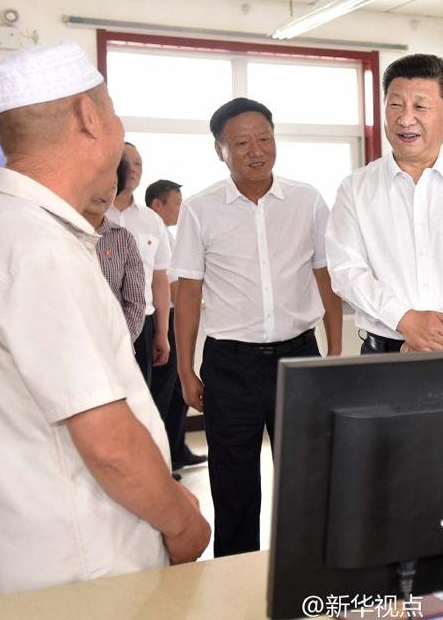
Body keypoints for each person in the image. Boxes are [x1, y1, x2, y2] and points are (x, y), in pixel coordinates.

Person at [0, 41, 209, 598]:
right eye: (112, 109)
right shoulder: (38, 249)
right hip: (86, 571)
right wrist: (183, 522)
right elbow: (108, 443)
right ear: (89, 116)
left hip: (36, 557)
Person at [172, 97, 342, 557]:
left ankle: (304, 573)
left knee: (307, 481)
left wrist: (334, 353)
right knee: (234, 488)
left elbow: (326, 278)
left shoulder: (307, 200)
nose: (256, 150)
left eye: (264, 138)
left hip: (299, 358)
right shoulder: (200, 209)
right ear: (220, 150)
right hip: (230, 365)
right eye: (242, 142)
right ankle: (237, 579)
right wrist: (185, 369)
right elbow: (187, 293)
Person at [325, 53, 443, 354]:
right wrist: (404, 320)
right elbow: (346, 271)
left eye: (420, 106)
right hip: (387, 353)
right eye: (395, 104)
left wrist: (435, 333)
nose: (405, 119)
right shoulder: (355, 189)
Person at [145, 179, 206, 473]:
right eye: (177, 204)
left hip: (170, 317)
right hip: (162, 319)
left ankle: (177, 449)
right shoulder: (153, 229)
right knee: (164, 392)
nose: (181, 210)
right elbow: (170, 284)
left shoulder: (167, 233)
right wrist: (191, 300)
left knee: (175, 393)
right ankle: (164, 458)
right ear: (158, 204)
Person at [109, 142, 171, 386]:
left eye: (138, 164)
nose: (133, 169)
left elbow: (160, 280)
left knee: (140, 396)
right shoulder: (90, 213)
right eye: (127, 162)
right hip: (99, 320)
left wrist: (161, 332)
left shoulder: (152, 220)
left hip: (143, 324)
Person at [82, 173, 145, 342]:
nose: (104, 191)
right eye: (97, 182)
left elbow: (135, 303)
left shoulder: (123, 238)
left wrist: (116, 344)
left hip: (113, 347)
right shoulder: (57, 231)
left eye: (112, 186)